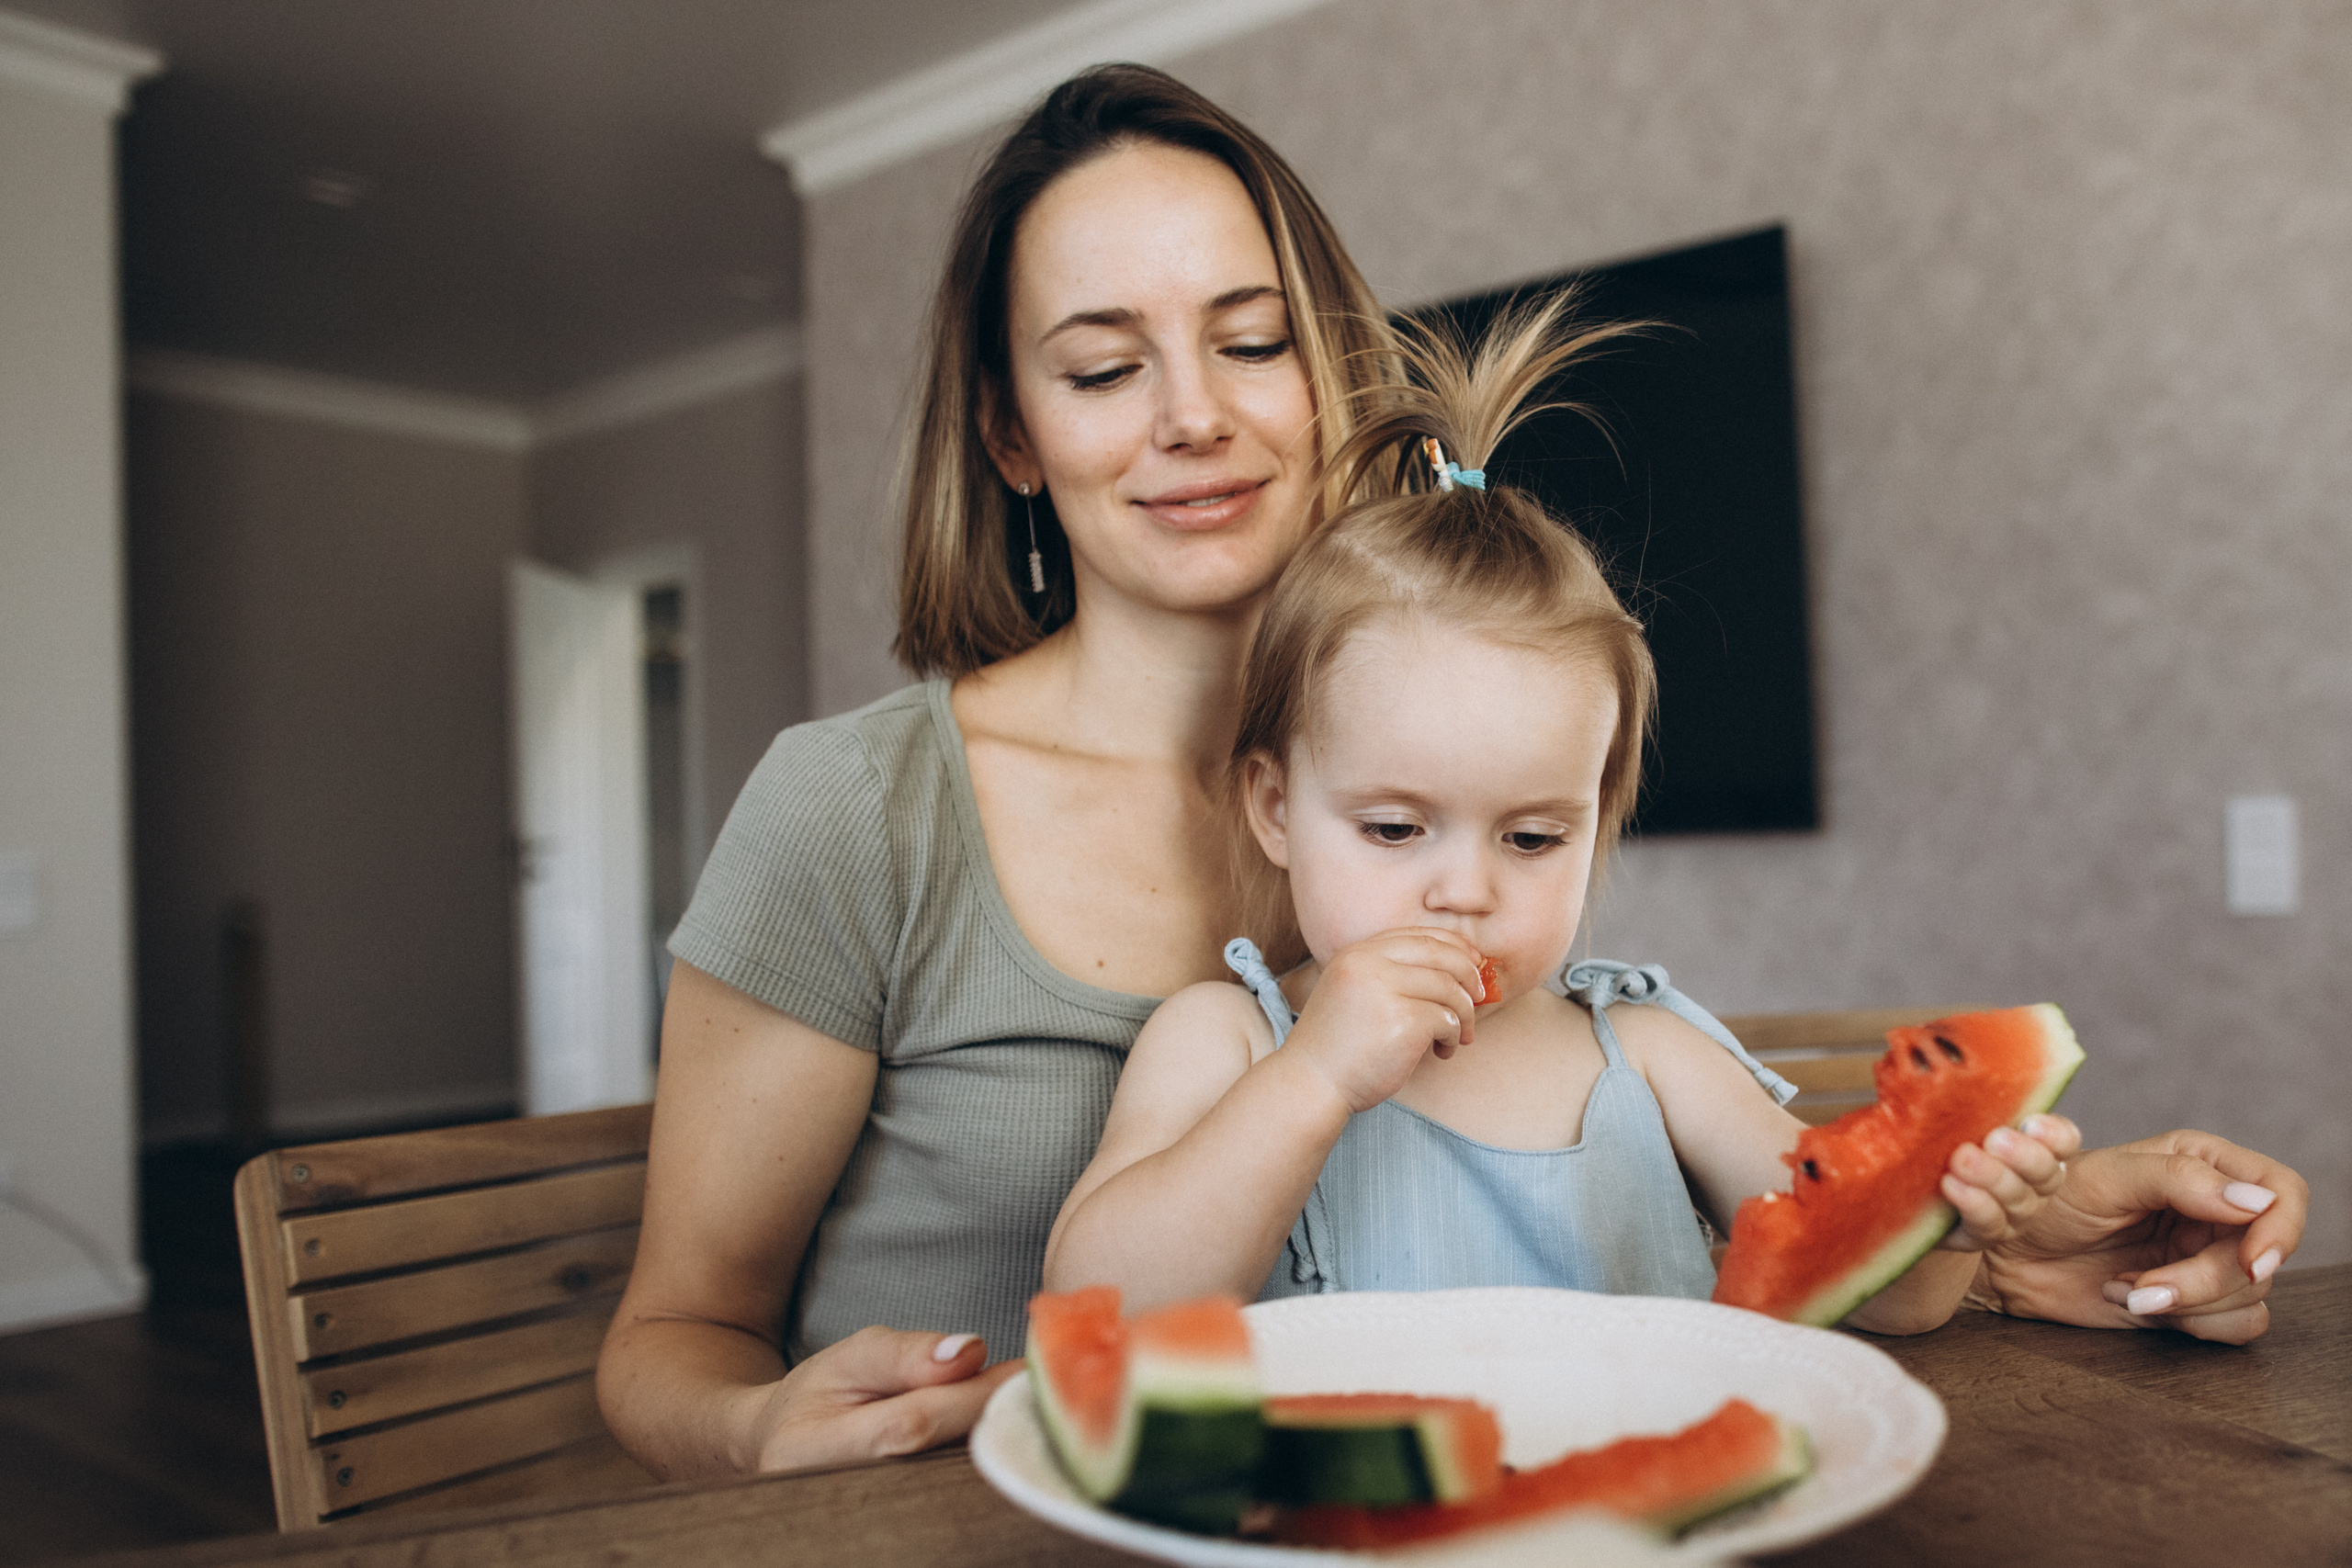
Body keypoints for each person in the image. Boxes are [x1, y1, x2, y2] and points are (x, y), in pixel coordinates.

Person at [596, 63, 2309, 1483]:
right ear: (1010, 432)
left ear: (1337, 366)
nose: (1190, 413)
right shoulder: (854, 810)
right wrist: (752, 1425)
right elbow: (675, 1339)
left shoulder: (1464, 775)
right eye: (1105, 366)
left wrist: (2030, 1235)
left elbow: (1744, 1212)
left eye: (1253, 341)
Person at [1046, 299, 2076, 1329]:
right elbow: (1098, 1305)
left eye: (1533, 838)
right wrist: (1313, 1079)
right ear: (1274, 808)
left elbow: (1873, 1294)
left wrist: (1953, 1227)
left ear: (1599, 822)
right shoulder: (1227, 1044)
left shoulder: (1649, 1056)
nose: (1465, 891)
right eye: (1395, 830)